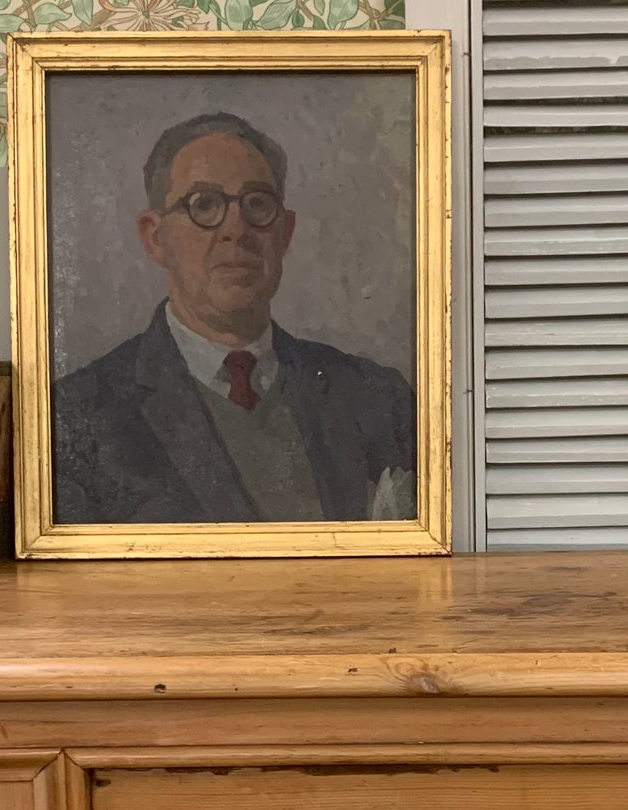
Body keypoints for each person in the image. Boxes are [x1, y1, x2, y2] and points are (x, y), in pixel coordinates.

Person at [52, 110, 416, 525]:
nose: (236, 229)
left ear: (285, 232)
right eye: (203, 204)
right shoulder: (77, 417)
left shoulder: (376, 398)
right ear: (156, 238)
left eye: (257, 204)